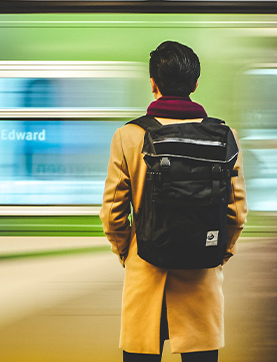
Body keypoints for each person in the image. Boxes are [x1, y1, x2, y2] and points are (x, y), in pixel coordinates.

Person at [100, 41, 248, 362]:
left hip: (146, 273)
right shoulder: (225, 137)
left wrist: (128, 252)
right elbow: (236, 213)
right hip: (200, 280)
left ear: (153, 84)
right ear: (195, 85)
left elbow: (112, 215)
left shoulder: (128, 136)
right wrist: (220, 252)